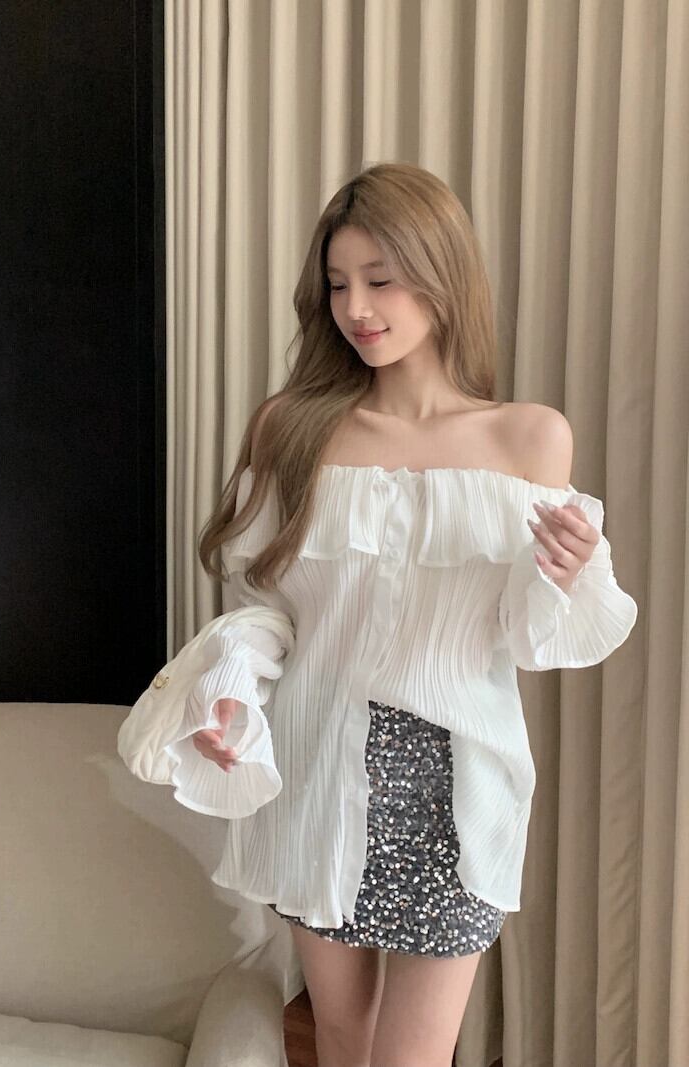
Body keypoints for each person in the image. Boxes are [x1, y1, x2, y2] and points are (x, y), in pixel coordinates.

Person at [175, 163, 638, 1067]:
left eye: (380, 279)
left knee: (414, 1057)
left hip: (456, 783)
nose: (357, 308)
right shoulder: (291, 428)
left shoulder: (528, 437)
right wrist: (229, 687)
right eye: (338, 284)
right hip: (318, 764)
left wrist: (566, 573)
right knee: (340, 1040)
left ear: (441, 275)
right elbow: (267, 609)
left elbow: (528, 639)